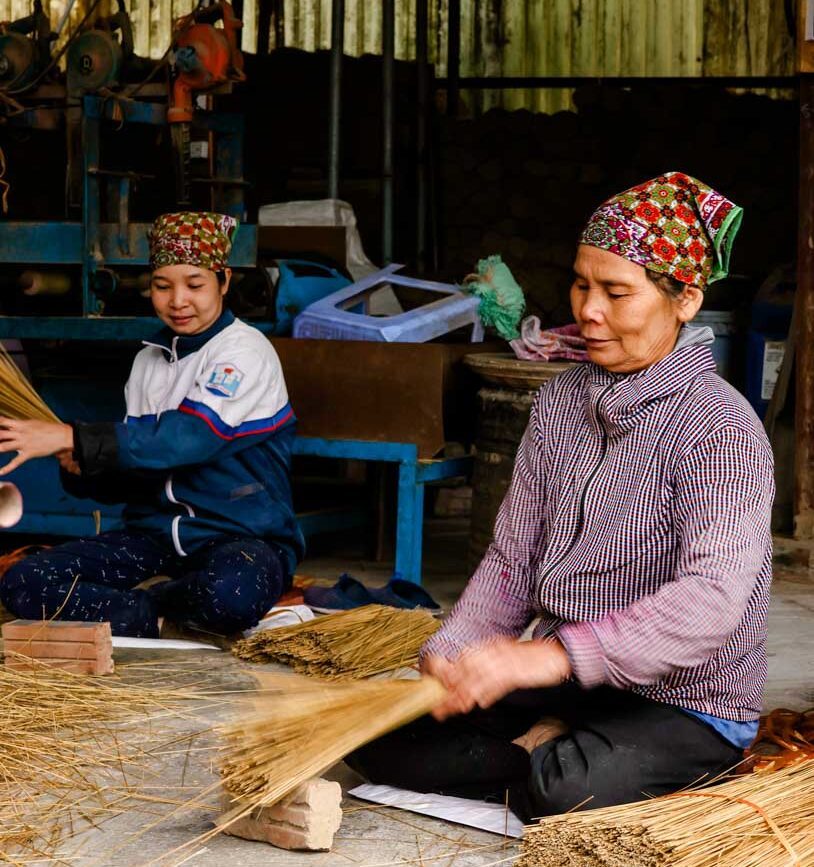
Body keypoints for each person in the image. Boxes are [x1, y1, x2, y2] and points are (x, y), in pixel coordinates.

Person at [348, 172, 773, 820]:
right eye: (581, 283)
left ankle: (556, 753)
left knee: (563, 789)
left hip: (683, 701)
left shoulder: (721, 428)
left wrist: (548, 655)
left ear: (686, 299)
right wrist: (454, 649)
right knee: (376, 731)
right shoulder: (560, 401)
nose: (588, 309)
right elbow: (513, 558)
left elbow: (711, 604)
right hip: (569, 680)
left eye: (616, 292)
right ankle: (547, 743)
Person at [0, 211, 304, 638]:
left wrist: (76, 436)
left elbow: (188, 439)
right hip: (154, 540)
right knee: (24, 581)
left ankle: (147, 607)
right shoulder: (148, 361)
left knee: (233, 592)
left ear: (225, 280)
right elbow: (139, 472)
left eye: (194, 285)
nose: (178, 301)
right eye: (162, 286)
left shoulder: (244, 352)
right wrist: (84, 467)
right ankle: (159, 617)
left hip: (240, 540)